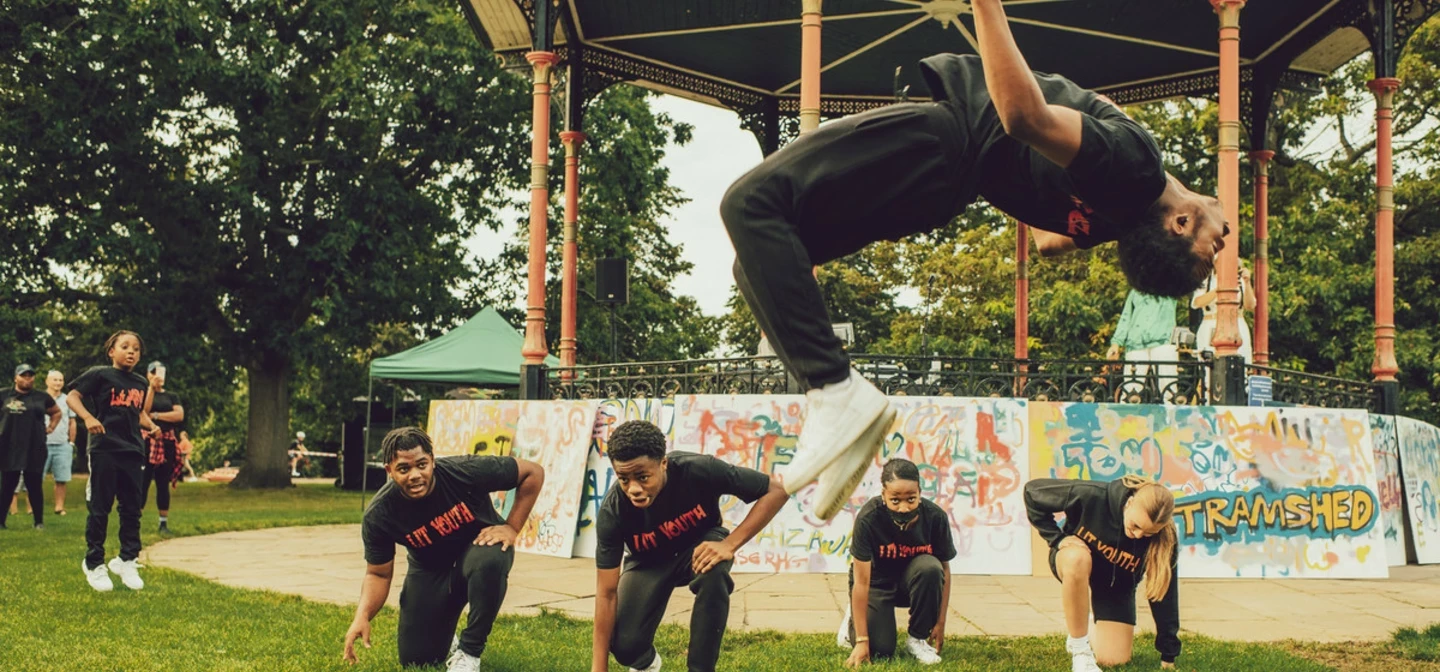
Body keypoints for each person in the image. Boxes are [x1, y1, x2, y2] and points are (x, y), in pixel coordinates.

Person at [720, 0, 1228, 519]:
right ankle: (840, 410)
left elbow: (1023, 117)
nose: (1225, 236)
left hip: (947, 141)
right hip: (944, 187)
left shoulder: (1137, 166)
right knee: (758, 261)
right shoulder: (1116, 216)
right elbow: (1049, 244)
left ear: (1181, 224)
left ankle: (834, 391)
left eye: (1216, 245)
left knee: (750, 205)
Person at [591, 420, 788, 672]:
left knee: (713, 573)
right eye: (624, 479)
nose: (635, 489)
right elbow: (606, 593)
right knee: (625, 646)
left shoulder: (699, 469)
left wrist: (729, 543)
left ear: (663, 463)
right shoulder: (613, 511)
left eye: (642, 477)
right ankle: (647, 664)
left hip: (700, 545)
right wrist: (599, 668)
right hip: (648, 561)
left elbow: (775, 491)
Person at [343, 426, 545, 672]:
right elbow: (378, 573)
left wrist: (512, 527)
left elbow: (533, 473)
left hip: (478, 551)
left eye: (422, 464)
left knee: (490, 559)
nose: (415, 475)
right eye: (404, 469)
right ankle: (444, 632)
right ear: (390, 471)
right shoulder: (380, 514)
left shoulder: (465, 471)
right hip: (430, 570)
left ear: (433, 461)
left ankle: (469, 654)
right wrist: (362, 615)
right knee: (417, 658)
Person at [1024, 475, 1180, 672]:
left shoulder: (1166, 538)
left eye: (1149, 533)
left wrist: (1168, 654)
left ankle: (1084, 624)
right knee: (1077, 558)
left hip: (1116, 586)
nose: (1139, 535)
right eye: (1136, 526)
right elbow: (1032, 491)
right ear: (1129, 504)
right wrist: (1056, 539)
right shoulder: (1092, 495)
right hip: (1074, 562)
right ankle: (1080, 651)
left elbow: (1164, 592)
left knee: (1114, 659)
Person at [837, 459, 953, 668]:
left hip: (911, 583)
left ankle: (916, 640)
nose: (903, 507)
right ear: (883, 495)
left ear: (919, 492)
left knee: (930, 567)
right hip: (875, 583)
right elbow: (861, 582)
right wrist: (862, 641)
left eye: (911, 499)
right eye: (895, 500)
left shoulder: (935, 518)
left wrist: (940, 622)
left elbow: (944, 570)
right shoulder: (868, 518)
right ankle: (852, 622)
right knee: (880, 651)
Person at [68, 330, 157, 592]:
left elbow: (136, 412)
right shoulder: (100, 374)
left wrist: (150, 425)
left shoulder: (141, 382)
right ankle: (94, 563)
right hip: (104, 449)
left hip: (133, 450)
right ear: (112, 351)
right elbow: (72, 396)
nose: (131, 352)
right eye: (125, 347)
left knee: (132, 508)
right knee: (100, 507)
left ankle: (126, 559)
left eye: (136, 349)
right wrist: (87, 418)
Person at [1, 364, 62, 530]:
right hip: (9, 446)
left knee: (34, 484)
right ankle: (1, 521)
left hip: (34, 446)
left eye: (30, 375)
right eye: (23, 375)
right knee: (7, 484)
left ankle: (38, 522)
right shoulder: (4, 394)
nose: (27, 379)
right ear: (15, 378)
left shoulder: (42, 397)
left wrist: (51, 427)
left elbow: (56, 412)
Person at [1106, 290, 1180, 402]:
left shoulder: (1171, 286)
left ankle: (1172, 417)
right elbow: (1126, 317)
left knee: (1170, 391)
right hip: (1136, 343)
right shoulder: (1135, 291)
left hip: (1164, 342)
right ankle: (1127, 417)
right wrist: (1116, 343)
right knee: (1131, 392)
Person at [142, 362, 185, 533]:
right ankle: (135, 521)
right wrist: (151, 389)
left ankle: (163, 523)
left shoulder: (172, 396)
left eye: (161, 372)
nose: (158, 376)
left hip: (167, 441)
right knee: (142, 482)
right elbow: (143, 411)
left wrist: (158, 415)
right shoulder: (145, 393)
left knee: (163, 483)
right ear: (148, 375)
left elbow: (179, 415)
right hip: (147, 441)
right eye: (154, 372)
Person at [1191, 262, 1256, 363]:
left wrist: (1247, 283)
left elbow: (1250, 305)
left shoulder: (1239, 280)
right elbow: (1197, 303)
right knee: (1209, 364)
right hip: (1210, 323)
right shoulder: (1206, 280)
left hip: (1237, 323)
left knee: (1241, 363)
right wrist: (1219, 288)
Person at [43, 370, 77, 515]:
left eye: (60, 380)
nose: (58, 383)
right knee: (35, 478)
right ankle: (31, 508)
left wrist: (71, 443)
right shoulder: (39, 398)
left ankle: (59, 507)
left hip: (62, 444)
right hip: (41, 444)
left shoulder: (67, 400)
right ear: (47, 381)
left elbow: (72, 421)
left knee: (61, 479)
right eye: (55, 380)